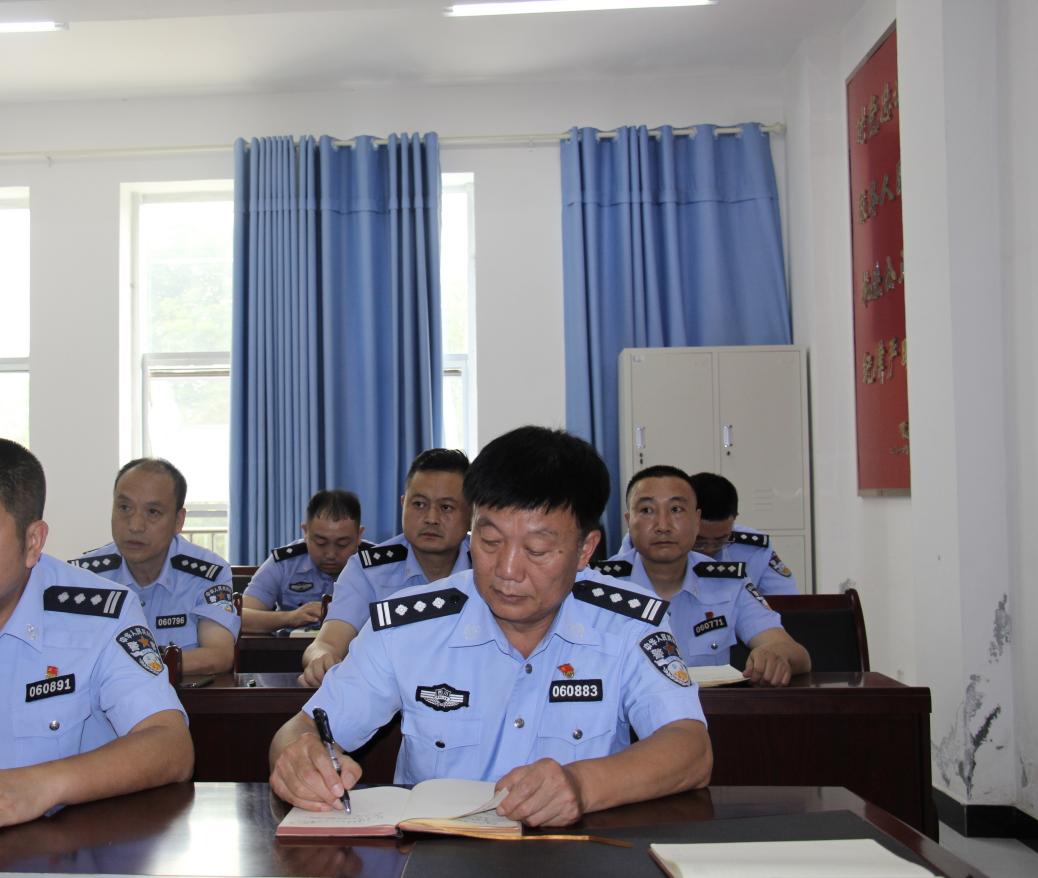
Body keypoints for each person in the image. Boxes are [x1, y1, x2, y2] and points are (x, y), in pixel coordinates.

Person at [270, 426, 711, 827]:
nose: (507, 571)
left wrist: (582, 785)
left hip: (581, 853)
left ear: (585, 549)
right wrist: (299, 760)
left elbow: (690, 748)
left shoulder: (628, 623)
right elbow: (302, 729)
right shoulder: (408, 627)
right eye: (490, 540)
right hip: (438, 858)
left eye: (537, 550)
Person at [0, 439, 192, 828]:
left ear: (32, 542)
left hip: (60, 847)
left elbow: (170, 746)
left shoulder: (100, 615)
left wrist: (38, 787)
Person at [602, 465, 810, 687]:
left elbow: (796, 653)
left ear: (696, 519)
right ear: (629, 520)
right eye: (646, 510)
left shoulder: (729, 582)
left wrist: (774, 655)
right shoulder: (599, 587)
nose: (663, 526)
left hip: (709, 707)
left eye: (676, 509)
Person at [300, 449, 472, 687]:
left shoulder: (490, 568)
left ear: (472, 512)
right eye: (419, 504)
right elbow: (326, 643)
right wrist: (320, 659)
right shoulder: (367, 571)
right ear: (403, 504)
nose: (431, 518)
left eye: (446, 507)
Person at [73, 458, 239, 675]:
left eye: (153, 512)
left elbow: (218, 655)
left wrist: (127, 670)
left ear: (178, 521)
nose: (135, 526)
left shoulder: (208, 574)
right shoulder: (84, 576)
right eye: (124, 508)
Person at [241, 490, 369, 634]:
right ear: (306, 531)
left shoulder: (379, 563)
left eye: (342, 544)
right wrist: (290, 617)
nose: (331, 554)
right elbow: (240, 616)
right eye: (320, 542)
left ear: (359, 535)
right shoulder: (285, 563)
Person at [689, 472, 798, 596]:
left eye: (720, 540)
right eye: (699, 540)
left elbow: (786, 599)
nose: (708, 550)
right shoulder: (670, 547)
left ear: (735, 518)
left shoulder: (754, 549)